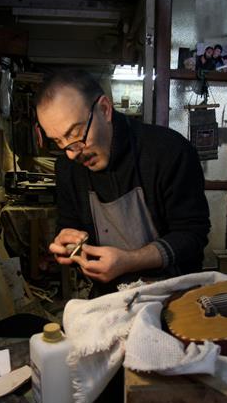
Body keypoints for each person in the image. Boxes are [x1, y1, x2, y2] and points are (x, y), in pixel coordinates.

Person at [35, 70, 211, 296]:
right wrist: (67, 243)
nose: (71, 153)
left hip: (175, 295)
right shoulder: (68, 168)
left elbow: (192, 234)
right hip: (110, 298)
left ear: (105, 109)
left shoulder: (169, 151)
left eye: (76, 133)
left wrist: (129, 261)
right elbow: (69, 223)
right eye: (59, 141)